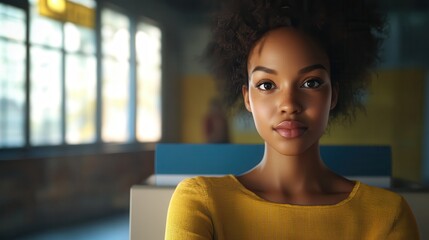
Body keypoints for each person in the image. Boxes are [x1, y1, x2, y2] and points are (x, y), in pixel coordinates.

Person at [165, 0, 420, 239]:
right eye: (267, 85)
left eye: (311, 82)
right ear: (247, 98)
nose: (289, 104)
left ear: (333, 95)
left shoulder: (388, 216)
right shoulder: (201, 203)